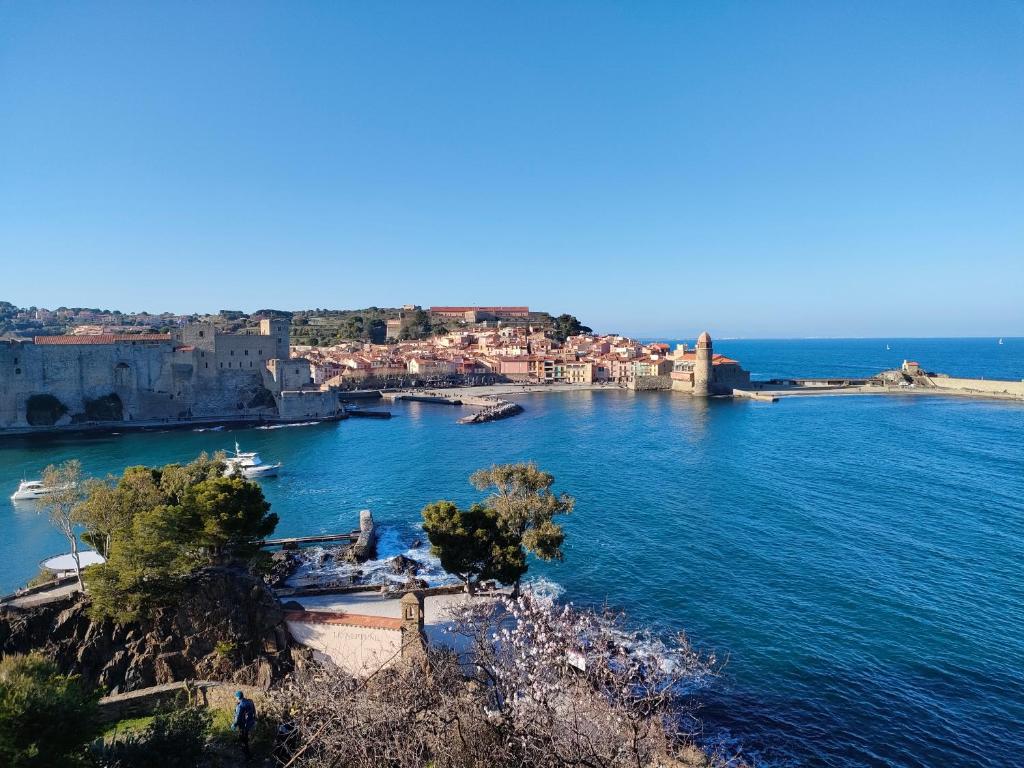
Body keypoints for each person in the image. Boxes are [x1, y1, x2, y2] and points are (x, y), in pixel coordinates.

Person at [231, 690, 257, 759]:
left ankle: (247, 756)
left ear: (237, 697)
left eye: (236, 697)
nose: (235, 698)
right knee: (247, 738)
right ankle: (248, 752)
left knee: (243, 740)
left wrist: (234, 724)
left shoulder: (240, 705)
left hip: (243, 725)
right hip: (250, 723)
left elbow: (238, 717)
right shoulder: (250, 701)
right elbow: (254, 711)